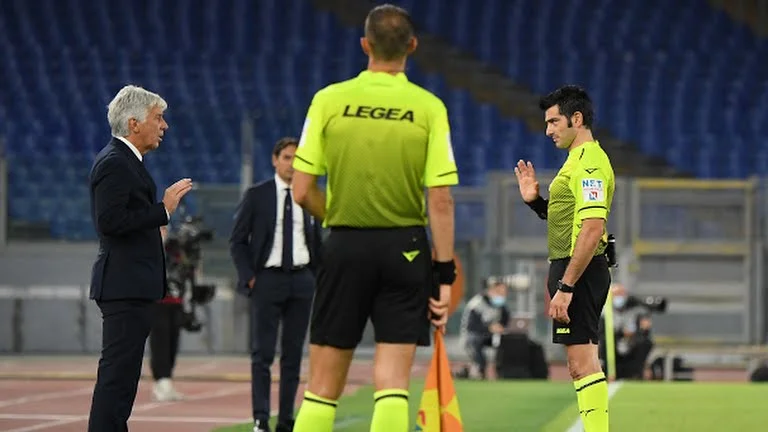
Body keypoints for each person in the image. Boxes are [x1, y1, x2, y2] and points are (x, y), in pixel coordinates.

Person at [288, 4, 458, 431]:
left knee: (322, 387)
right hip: (405, 249)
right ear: (412, 46)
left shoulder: (328, 100)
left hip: (344, 245)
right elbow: (440, 200)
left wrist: (337, 219)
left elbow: (301, 190)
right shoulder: (429, 107)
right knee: (393, 383)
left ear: (365, 45)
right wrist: (443, 273)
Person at [87, 85, 193, 431]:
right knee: (117, 380)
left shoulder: (126, 161)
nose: (164, 125)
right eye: (158, 118)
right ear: (133, 123)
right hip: (123, 286)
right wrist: (163, 210)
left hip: (131, 286)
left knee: (122, 383)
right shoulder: (115, 163)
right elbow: (109, 222)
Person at [515, 85, 615, 432]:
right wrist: (536, 203)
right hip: (574, 268)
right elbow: (570, 219)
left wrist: (567, 285)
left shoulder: (589, 164)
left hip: (580, 270)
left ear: (577, 118)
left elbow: (592, 227)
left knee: (582, 364)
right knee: (579, 364)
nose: (548, 131)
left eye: (554, 121)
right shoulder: (576, 160)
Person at [229, 137, 323, 432]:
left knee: (293, 356)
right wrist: (249, 276)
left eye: (297, 159)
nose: (292, 164)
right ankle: (260, 419)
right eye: (286, 157)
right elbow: (237, 240)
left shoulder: (310, 195)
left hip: (302, 280)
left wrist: (316, 277)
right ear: (274, 160)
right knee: (263, 354)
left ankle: (285, 420)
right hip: (267, 280)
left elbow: (318, 241)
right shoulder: (258, 195)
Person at [149, 225, 184, 402]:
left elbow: (183, 269)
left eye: (165, 229)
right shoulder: (149, 248)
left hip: (175, 301)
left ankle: (167, 378)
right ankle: (160, 380)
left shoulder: (174, 249)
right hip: (157, 302)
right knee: (160, 341)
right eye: (160, 229)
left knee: (173, 341)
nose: (164, 233)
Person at [457, 279, 510, 380]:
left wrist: (500, 327)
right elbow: (471, 326)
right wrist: (489, 328)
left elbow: (505, 321)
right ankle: (480, 370)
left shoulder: (501, 306)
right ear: (491, 290)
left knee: (509, 340)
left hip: (492, 336)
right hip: (474, 335)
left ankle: (503, 371)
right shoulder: (476, 304)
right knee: (475, 340)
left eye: (504, 293)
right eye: (499, 292)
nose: (502, 295)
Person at [599, 283, 654, 380]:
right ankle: (608, 371)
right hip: (613, 343)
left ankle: (637, 373)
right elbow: (601, 332)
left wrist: (640, 329)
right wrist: (620, 333)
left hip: (632, 342)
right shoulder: (604, 311)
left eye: (621, 294)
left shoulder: (637, 309)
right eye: (616, 294)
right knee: (605, 343)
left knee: (645, 343)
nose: (619, 297)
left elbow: (645, 328)